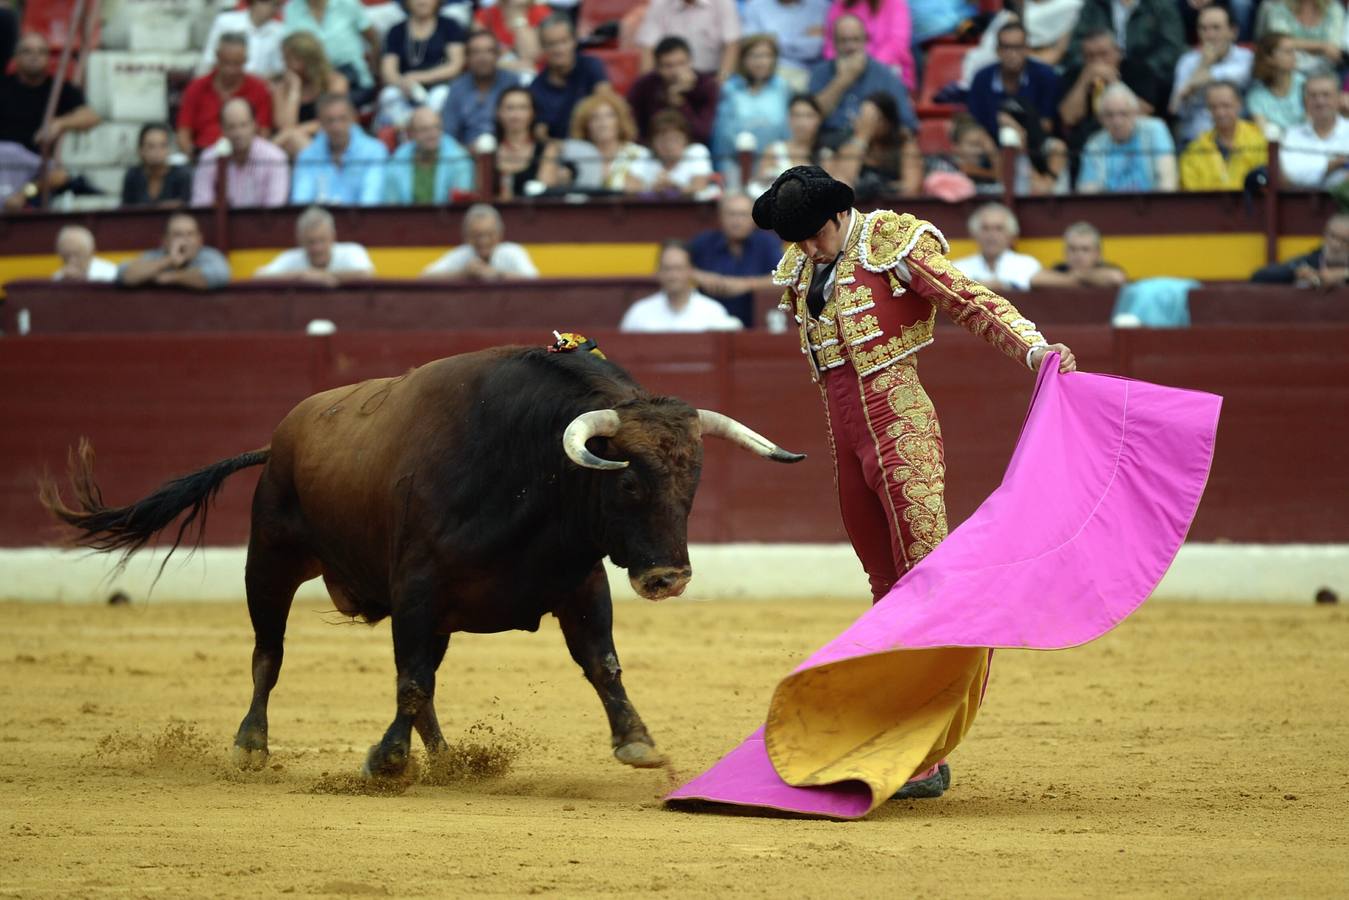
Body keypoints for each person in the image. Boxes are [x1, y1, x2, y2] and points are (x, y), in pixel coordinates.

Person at [752, 166, 1074, 796]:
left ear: (841, 215)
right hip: (845, 434)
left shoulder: (891, 244)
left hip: (901, 428)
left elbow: (969, 300)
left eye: (814, 236)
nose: (807, 250)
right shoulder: (801, 263)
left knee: (927, 580)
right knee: (884, 585)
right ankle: (895, 733)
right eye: (796, 240)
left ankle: (926, 753)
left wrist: (1034, 350)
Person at [807, 13, 918, 145]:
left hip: (874, 146)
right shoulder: (820, 73)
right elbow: (810, 119)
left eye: (855, 40)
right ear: (834, 43)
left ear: (866, 41)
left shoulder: (886, 75)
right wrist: (843, 80)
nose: (850, 47)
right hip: (828, 142)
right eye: (843, 40)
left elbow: (907, 124)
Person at [1064, 0, 1185, 118]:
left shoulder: (1160, 5)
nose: (1098, 61)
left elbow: (1143, 112)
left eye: (1103, 54)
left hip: (1143, 73)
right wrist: (1086, 77)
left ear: (1118, 52)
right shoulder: (1094, 5)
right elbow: (1068, 118)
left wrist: (1116, 80)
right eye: (1091, 55)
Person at [688, 192, 783, 327]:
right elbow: (676, 267)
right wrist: (699, 276)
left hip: (755, 322)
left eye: (743, 215)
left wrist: (746, 285)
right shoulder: (704, 242)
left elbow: (784, 280)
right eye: (731, 214)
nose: (737, 221)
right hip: (709, 323)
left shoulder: (767, 243)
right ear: (720, 217)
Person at [0, 32, 99, 154]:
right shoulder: (3, 85)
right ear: (15, 57)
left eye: (41, 52)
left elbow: (91, 116)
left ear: (48, 58)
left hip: (38, 163)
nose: (34, 56)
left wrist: (59, 123)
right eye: (27, 51)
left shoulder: (60, 88)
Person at [711, 35, 792, 183]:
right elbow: (721, 135)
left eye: (767, 56)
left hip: (774, 162)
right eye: (754, 56)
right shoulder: (730, 89)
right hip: (735, 162)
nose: (761, 62)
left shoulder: (782, 87)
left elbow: (788, 131)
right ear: (743, 59)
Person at [177, 33, 274, 156]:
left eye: (236, 63)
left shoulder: (259, 89)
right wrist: (195, 158)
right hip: (203, 157)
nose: (230, 70)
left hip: (246, 159)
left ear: (245, 60)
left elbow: (263, 134)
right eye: (226, 63)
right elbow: (183, 133)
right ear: (217, 57)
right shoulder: (196, 87)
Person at [1169, 5, 1253, 146]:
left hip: (1240, 141)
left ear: (1233, 32)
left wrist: (1192, 84)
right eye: (1203, 29)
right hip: (1196, 140)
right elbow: (1176, 108)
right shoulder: (1187, 61)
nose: (1209, 35)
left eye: (1216, 28)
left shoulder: (1247, 58)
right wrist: (1203, 65)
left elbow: (1237, 76)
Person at [375, 0, 466, 128]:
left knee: (441, 96)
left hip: (439, 87)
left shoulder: (449, 26)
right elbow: (388, 71)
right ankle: (404, 134)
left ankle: (432, 131)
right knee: (389, 95)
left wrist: (418, 77)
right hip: (406, 89)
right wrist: (403, 82)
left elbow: (455, 66)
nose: (422, 2)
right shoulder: (396, 31)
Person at [966, 21, 1060, 142]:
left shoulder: (1046, 76)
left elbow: (1047, 125)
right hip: (992, 146)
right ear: (998, 50)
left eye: (1018, 47)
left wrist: (1016, 128)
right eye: (1006, 47)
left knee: (1056, 147)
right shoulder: (982, 79)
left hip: (1036, 147)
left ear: (1027, 49)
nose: (1012, 54)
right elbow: (974, 123)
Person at [620, 241, 745, 332]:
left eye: (679, 268)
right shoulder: (639, 313)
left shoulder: (713, 312)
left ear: (691, 271)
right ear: (658, 272)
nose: (673, 275)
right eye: (667, 269)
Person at [1076, 83, 1178, 193]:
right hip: (1111, 208)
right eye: (1109, 115)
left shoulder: (1155, 130)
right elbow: (1088, 192)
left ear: (1135, 114)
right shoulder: (1094, 145)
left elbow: (1168, 182)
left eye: (1123, 114)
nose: (1117, 122)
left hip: (1153, 206)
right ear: (1101, 119)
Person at [291, 94, 389, 206]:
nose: (336, 127)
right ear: (320, 123)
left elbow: (370, 201)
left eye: (342, 119)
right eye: (330, 120)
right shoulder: (307, 156)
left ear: (353, 118)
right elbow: (300, 202)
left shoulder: (375, 151)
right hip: (320, 221)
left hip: (361, 221)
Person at [192, 98, 291, 208]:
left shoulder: (275, 158)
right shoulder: (209, 158)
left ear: (255, 124)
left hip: (265, 223)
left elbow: (276, 208)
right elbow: (201, 206)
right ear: (222, 129)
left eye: (243, 125)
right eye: (231, 127)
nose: (238, 133)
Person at [825, 92, 922, 199]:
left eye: (873, 118)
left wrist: (881, 188)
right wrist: (862, 137)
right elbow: (842, 182)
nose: (867, 123)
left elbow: (912, 187)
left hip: (892, 209)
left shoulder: (904, 145)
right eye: (863, 117)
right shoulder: (848, 144)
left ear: (888, 122)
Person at [627, 36, 721, 146]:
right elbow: (630, 125)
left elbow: (702, 134)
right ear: (657, 67)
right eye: (668, 66)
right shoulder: (644, 85)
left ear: (691, 62)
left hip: (693, 150)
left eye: (681, 63)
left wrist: (680, 103)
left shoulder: (706, 85)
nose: (676, 71)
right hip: (651, 150)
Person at [529, 15, 609, 141]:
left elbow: (606, 102)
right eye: (551, 44)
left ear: (574, 41)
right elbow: (541, 134)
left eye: (564, 41)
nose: (559, 50)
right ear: (542, 48)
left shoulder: (591, 66)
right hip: (562, 152)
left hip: (597, 140)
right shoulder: (536, 88)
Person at [283, 0, 379, 104]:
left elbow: (373, 40)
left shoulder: (348, 3)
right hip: (313, 83)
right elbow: (291, 46)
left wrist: (375, 71)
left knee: (333, 108)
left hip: (354, 79)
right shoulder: (291, 9)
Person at [271, 30, 350, 158]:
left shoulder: (335, 82)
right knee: (294, 141)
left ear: (307, 60)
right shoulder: (282, 88)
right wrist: (294, 90)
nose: (284, 64)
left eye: (288, 59)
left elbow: (334, 119)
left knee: (294, 139)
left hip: (328, 139)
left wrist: (297, 131)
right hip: (293, 144)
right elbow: (284, 127)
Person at [1179, 81, 1268, 191]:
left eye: (1226, 106)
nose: (1220, 113)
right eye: (1213, 107)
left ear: (1239, 105)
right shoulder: (1193, 151)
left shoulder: (1259, 141)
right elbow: (1192, 196)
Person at [254, 205, 374, 285]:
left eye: (322, 240)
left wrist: (320, 276)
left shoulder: (352, 251)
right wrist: (302, 275)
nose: (317, 248)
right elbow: (258, 277)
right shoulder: (291, 257)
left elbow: (366, 274)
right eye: (311, 242)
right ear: (300, 241)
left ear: (333, 236)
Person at [441, 30, 519, 147]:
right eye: (476, 52)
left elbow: (521, 127)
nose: (483, 58)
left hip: (508, 151)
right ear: (467, 57)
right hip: (465, 155)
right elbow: (449, 132)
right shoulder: (457, 87)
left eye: (489, 51)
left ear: (498, 55)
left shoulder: (511, 83)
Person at [561, 92, 651, 193]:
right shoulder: (575, 157)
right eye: (594, 118)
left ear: (620, 121)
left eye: (609, 116)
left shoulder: (639, 154)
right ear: (585, 126)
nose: (603, 123)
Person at [421, 203, 539, 280]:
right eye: (477, 235)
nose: (483, 240)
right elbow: (424, 278)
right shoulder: (462, 254)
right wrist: (463, 274)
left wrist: (498, 275)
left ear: (500, 235)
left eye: (489, 234)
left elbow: (535, 280)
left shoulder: (512, 252)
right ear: (466, 237)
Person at [117, 213, 232, 290]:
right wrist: (169, 260)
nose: (185, 240)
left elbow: (220, 275)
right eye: (178, 234)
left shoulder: (209, 255)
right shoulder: (156, 256)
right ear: (165, 241)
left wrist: (173, 277)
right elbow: (123, 274)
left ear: (200, 239)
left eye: (190, 234)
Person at [383, 106, 473, 204]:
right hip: (405, 218)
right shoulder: (397, 160)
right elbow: (391, 204)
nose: (432, 134)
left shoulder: (459, 159)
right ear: (411, 133)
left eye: (437, 127)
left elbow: (459, 207)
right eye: (424, 129)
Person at [635, 0, 741, 79]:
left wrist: (720, 84)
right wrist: (648, 85)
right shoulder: (660, 4)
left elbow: (731, 44)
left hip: (710, 76)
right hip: (669, 79)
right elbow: (648, 46)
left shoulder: (722, 3)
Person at [823, 0, 915, 90]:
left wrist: (867, 67)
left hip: (885, 72)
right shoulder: (840, 4)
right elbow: (830, 46)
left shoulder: (895, 3)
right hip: (844, 71)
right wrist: (845, 67)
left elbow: (897, 44)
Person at [1279, 71, 1349, 189]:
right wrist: (1330, 166)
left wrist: (1311, 171)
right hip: (1300, 204)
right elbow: (1290, 176)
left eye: (1326, 95)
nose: (1320, 101)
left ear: (1338, 98)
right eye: (1313, 96)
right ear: (1305, 101)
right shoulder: (1291, 135)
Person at [492, 86, 565, 199]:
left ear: (533, 113)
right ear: (498, 112)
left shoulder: (547, 149)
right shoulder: (487, 150)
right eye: (509, 108)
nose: (516, 115)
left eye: (523, 108)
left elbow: (545, 194)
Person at [952, 201, 1042, 292]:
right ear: (974, 234)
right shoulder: (958, 268)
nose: (991, 235)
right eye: (985, 228)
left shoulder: (1027, 265)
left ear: (1011, 235)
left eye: (999, 229)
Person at [1250, 212, 1349, 285]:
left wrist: (1344, 274)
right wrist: (1295, 273)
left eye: (1344, 240)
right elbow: (1259, 276)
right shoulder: (1310, 261)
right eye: (1332, 236)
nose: (1336, 245)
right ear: (1324, 235)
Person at [756, 93, 830, 188]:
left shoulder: (826, 155)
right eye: (796, 115)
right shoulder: (774, 151)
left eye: (808, 116)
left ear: (819, 119)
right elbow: (759, 188)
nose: (801, 123)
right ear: (789, 119)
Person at [198, 0, 286, 80]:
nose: (276, 10)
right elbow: (209, 59)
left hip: (259, 86)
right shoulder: (225, 21)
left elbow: (278, 69)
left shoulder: (280, 32)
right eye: (274, 5)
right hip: (224, 80)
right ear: (256, 2)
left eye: (278, 6)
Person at [740, 0, 832, 76]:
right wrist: (802, 38)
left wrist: (773, 40)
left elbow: (814, 50)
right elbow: (753, 48)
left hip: (812, 71)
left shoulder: (821, 6)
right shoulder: (755, 6)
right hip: (772, 69)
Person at [1254, 0, 1343, 74]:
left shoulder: (1334, 9)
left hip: (1325, 70)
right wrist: (1322, 46)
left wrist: (1296, 45)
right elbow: (1279, 41)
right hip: (1288, 69)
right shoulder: (1278, 9)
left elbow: (1333, 49)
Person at [1029, 221, 1127, 287]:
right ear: (1065, 251)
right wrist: (1078, 278)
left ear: (1097, 253)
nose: (1078, 255)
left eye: (1085, 249)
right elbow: (1035, 279)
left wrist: (1079, 276)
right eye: (1073, 249)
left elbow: (1117, 278)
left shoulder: (1106, 268)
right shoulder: (1060, 268)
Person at [1246, 31, 1306, 134]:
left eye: (1294, 51)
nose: (1295, 56)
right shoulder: (1256, 96)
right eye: (1288, 52)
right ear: (1269, 58)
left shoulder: (1305, 85)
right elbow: (1264, 132)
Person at [120, 124, 193, 208]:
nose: (157, 151)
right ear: (140, 150)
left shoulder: (182, 175)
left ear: (169, 149)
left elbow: (186, 207)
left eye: (163, 145)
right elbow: (126, 209)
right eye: (151, 146)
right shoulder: (133, 176)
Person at [474, 0, 549, 72]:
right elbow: (476, 55)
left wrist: (518, 17)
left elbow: (532, 55)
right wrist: (506, 65)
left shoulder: (541, 12)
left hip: (534, 75)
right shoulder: (487, 14)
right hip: (497, 74)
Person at [52, 225, 118, 282]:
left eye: (77, 255)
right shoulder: (58, 278)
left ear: (91, 253)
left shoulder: (110, 274)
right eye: (67, 256)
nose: (72, 260)